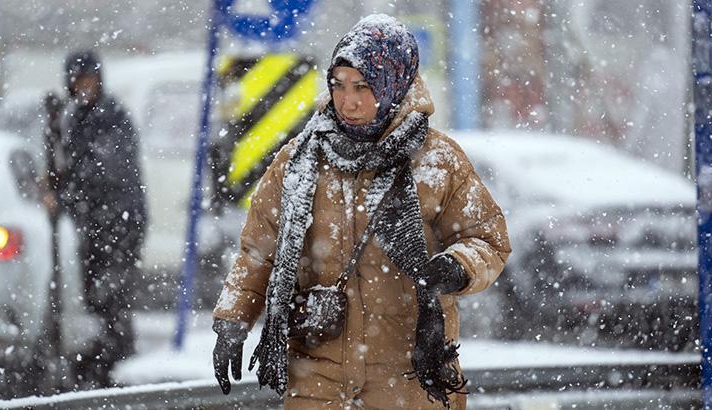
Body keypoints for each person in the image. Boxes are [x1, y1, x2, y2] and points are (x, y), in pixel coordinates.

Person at [211, 14, 511, 409]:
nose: (347, 102)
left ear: (393, 85)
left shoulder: (436, 161)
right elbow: (257, 251)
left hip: (409, 381)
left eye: (363, 87)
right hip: (317, 381)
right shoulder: (298, 161)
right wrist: (233, 321)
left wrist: (457, 265)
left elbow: (488, 240)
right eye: (338, 85)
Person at [46, 49, 147, 388]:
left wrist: (66, 193)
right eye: (78, 80)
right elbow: (74, 170)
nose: (84, 86)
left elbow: (106, 170)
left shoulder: (112, 115)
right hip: (94, 225)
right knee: (95, 297)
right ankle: (101, 366)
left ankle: (117, 365)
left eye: (89, 79)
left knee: (112, 298)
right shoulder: (77, 117)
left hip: (119, 225)